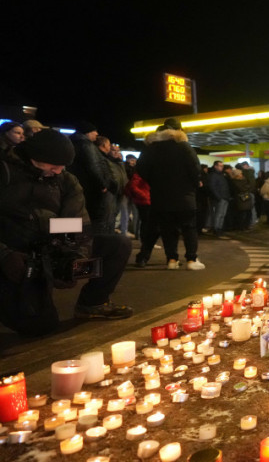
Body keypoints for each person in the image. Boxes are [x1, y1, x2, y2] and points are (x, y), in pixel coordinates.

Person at [0, 129, 132, 335]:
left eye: (63, 166)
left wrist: (73, 257)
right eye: (53, 166)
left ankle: (93, 303)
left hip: (48, 249)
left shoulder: (66, 180)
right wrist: (5, 255)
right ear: (33, 157)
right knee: (40, 326)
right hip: (14, 255)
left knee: (117, 244)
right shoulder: (5, 173)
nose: (59, 171)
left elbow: (74, 224)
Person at [135, 118, 205, 270]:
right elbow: (195, 168)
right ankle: (191, 259)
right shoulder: (184, 146)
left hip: (160, 196)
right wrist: (194, 184)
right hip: (185, 196)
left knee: (168, 230)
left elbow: (141, 168)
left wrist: (154, 182)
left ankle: (172, 260)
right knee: (189, 228)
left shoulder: (152, 148)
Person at [68, 121, 114, 235]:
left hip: (76, 185)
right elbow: (94, 166)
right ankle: (92, 241)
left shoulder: (71, 143)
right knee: (93, 218)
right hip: (90, 188)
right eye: (94, 131)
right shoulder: (86, 145)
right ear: (87, 132)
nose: (96, 134)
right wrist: (102, 184)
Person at [205, 160, 231, 237]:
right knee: (219, 214)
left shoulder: (221, 175)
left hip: (224, 197)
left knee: (222, 214)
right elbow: (212, 187)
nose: (222, 167)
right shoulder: (214, 175)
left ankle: (219, 228)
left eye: (222, 166)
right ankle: (217, 228)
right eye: (220, 166)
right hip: (221, 197)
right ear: (215, 166)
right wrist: (219, 197)